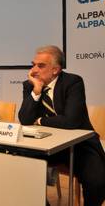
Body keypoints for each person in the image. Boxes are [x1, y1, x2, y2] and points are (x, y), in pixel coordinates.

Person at [18, 45, 105, 206]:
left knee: (97, 181)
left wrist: (40, 121)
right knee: (19, 168)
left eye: (41, 65)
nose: (34, 70)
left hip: (80, 144)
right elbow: (24, 119)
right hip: (44, 144)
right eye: (33, 64)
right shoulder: (30, 85)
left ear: (56, 70)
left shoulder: (73, 82)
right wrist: (37, 90)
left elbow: (71, 121)